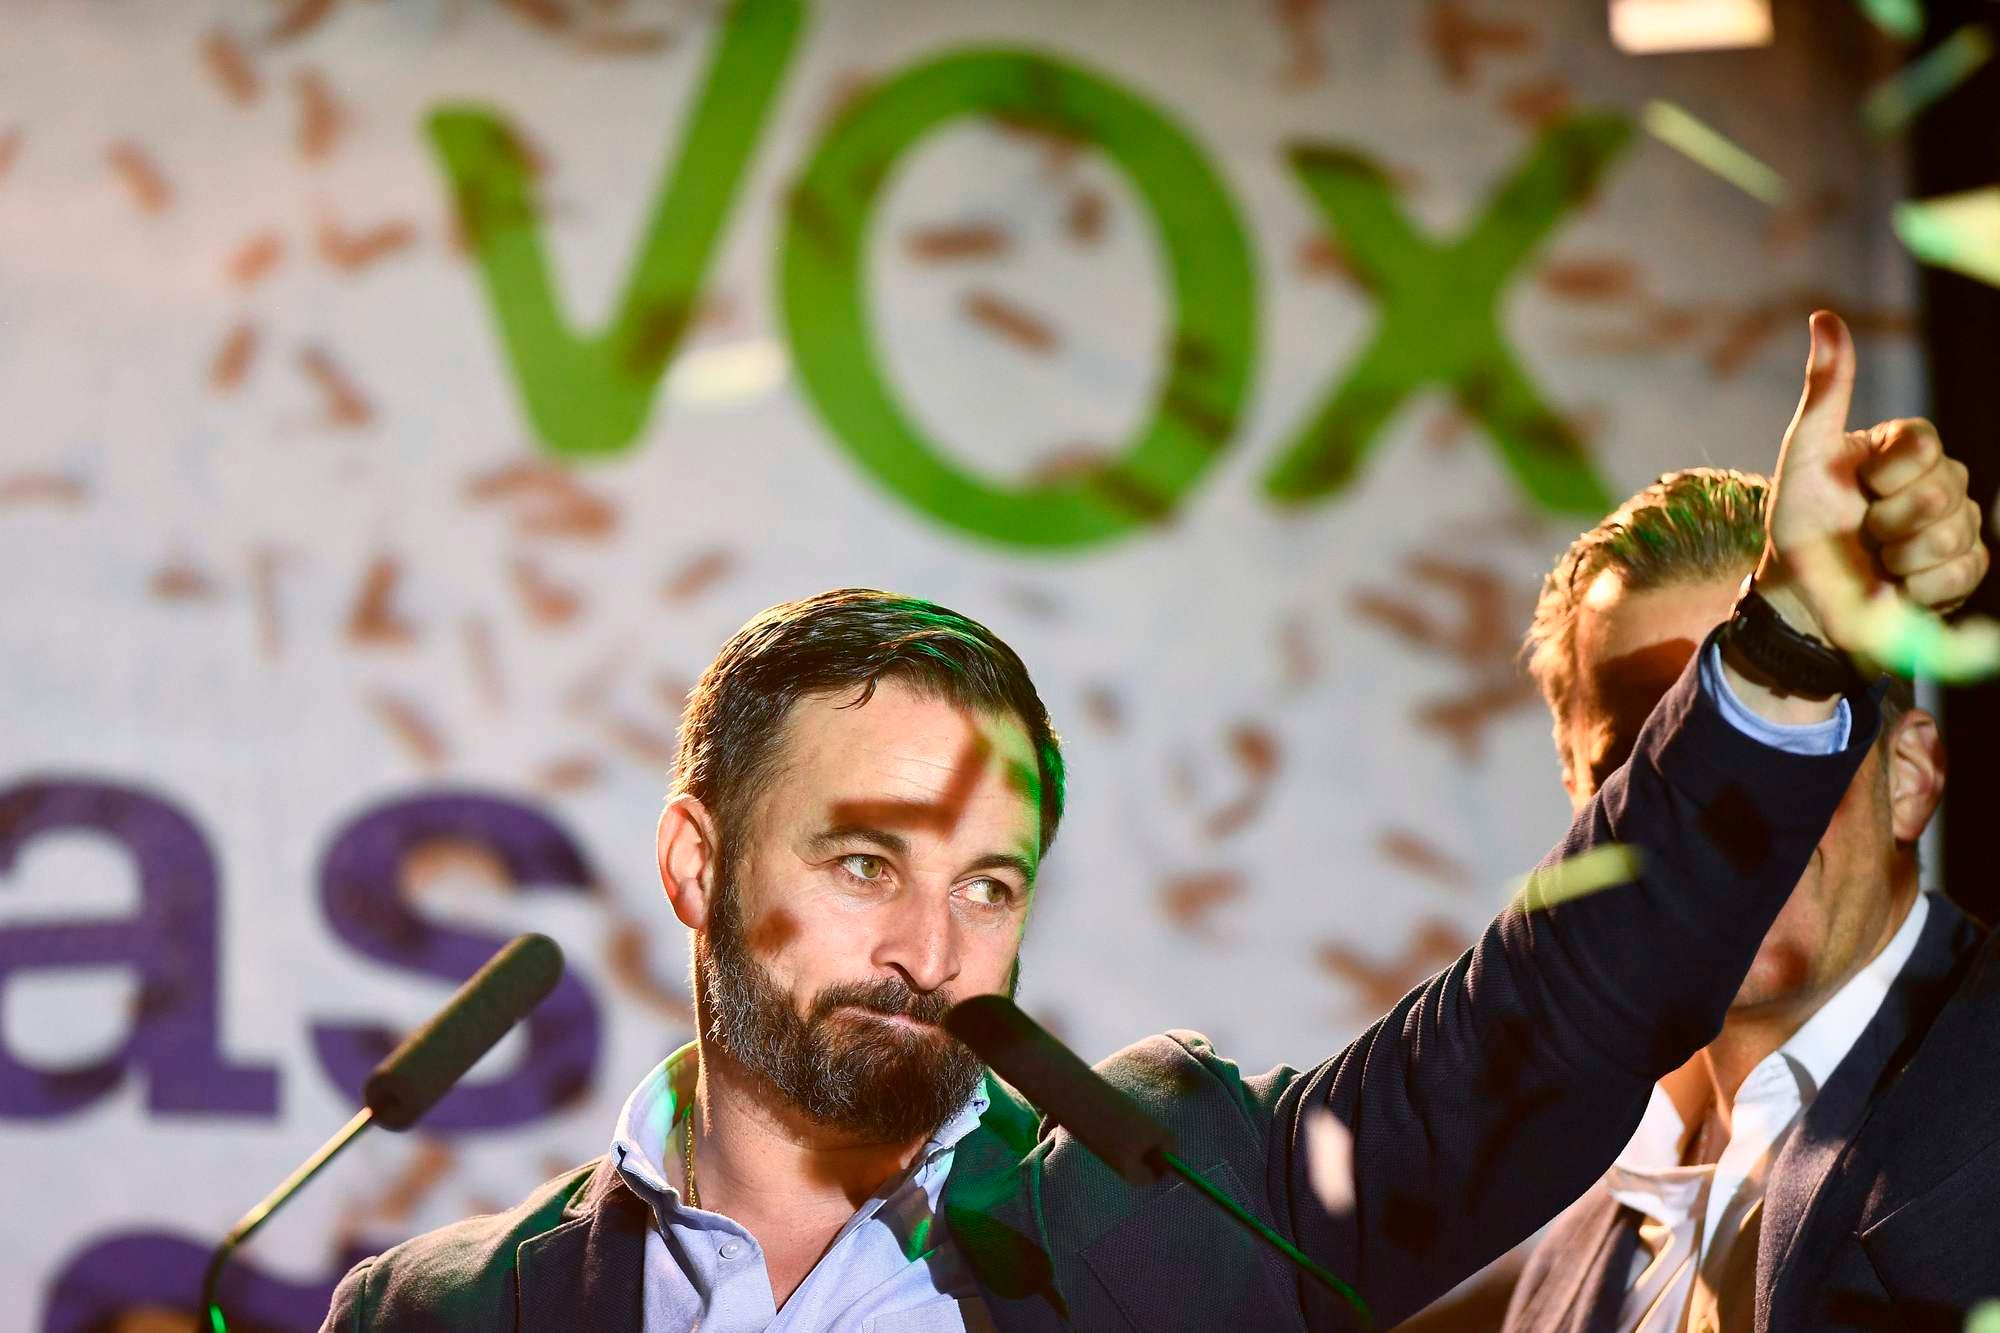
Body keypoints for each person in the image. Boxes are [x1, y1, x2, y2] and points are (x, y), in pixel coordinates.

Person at [320, 313, 1985, 1332]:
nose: (930, 946)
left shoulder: (1165, 1205)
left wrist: (1773, 654)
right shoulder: (439, 1310)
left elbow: (1537, 1025)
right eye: (861, 861)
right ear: (696, 863)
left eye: (990, 880)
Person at [1503, 474, 1998, 1320]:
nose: (1718, 815)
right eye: (1651, 765)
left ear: (1910, 778)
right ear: (1588, 812)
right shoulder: (1562, 1251)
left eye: (1785, 736)